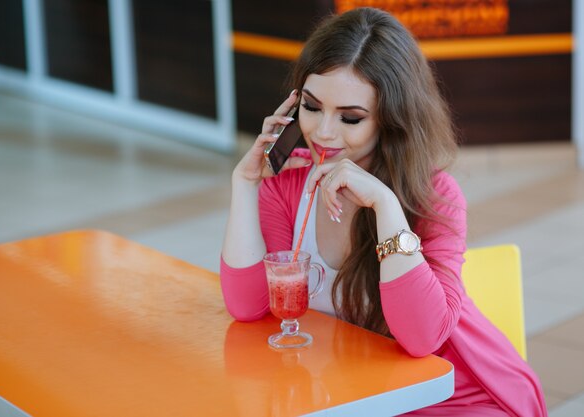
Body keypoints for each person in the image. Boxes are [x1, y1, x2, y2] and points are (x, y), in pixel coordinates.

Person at [220, 7, 547, 416]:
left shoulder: (435, 194)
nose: (323, 132)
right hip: (351, 391)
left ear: (391, 119)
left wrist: (386, 206)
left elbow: (423, 338)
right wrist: (246, 183)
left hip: (448, 394)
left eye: (350, 118)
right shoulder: (287, 183)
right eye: (311, 106)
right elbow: (248, 306)